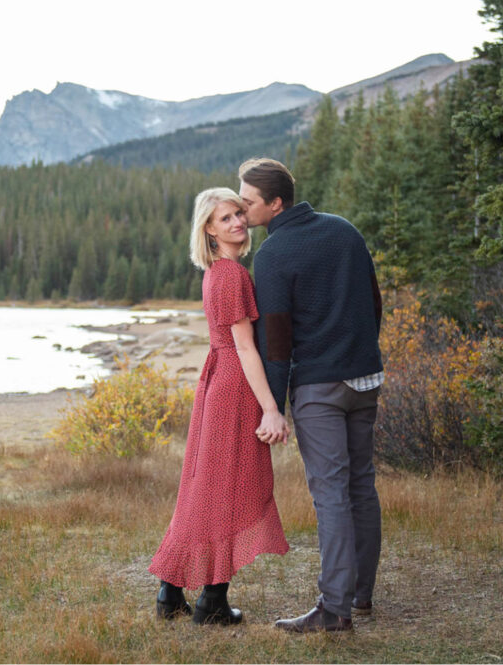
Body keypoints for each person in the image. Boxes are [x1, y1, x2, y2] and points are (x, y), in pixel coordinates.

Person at [238, 158, 384, 633]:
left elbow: (276, 343)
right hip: (365, 379)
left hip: (320, 388)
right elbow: (374, 300)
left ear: (275, 203)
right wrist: (361, 354)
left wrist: (271, 406)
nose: (242, 211)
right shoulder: (344, 230)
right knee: (360, 484)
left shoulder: (275, 253)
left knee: (332, 496)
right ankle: (360, 595)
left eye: (248, 202)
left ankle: (335, 609)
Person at [148, 187, 289, 625]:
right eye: (225, 218)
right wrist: (271, 408)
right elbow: (246, 349)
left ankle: (173, 592)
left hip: (219, 381)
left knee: (206, 487)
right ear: (208, 229)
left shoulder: (217, 273)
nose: (237, 223)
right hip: (233, 385)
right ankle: (211, 600)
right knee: (226, 487)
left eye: (239, 214)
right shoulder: (231, 276)